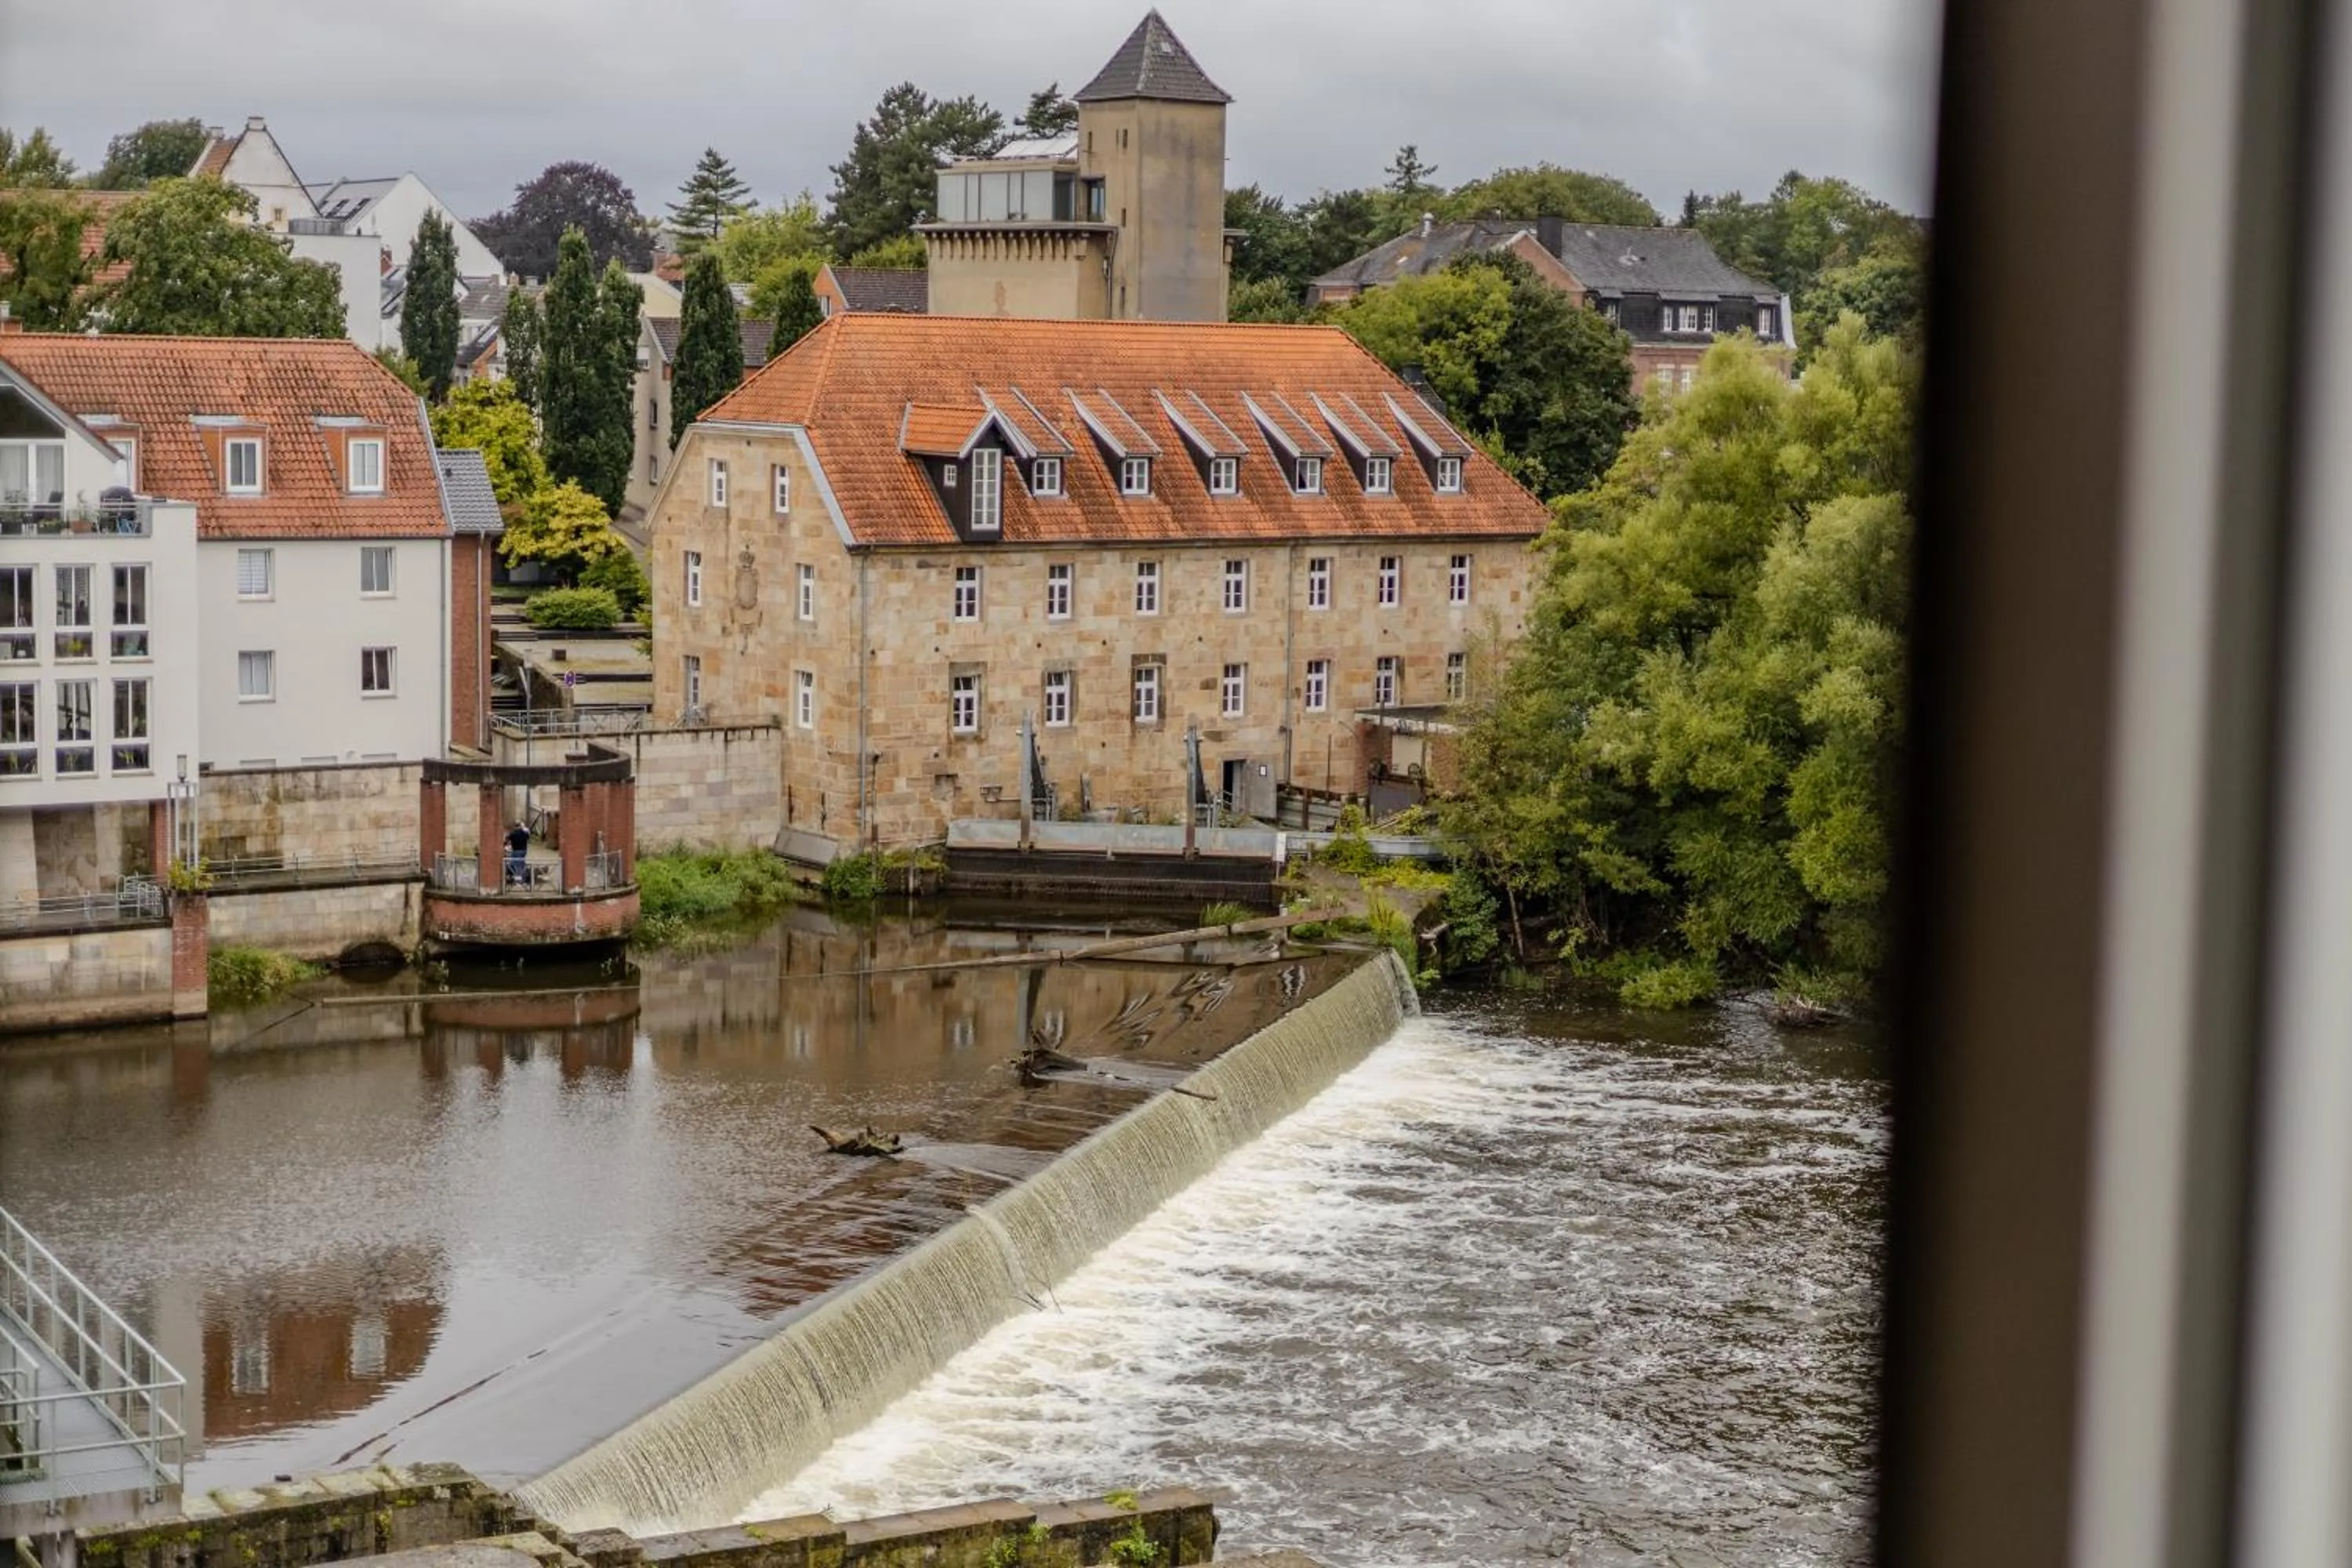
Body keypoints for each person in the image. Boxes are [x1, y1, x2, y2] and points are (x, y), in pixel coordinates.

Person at [504, 822, 530, 886]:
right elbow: (528, 837)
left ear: (515, 827)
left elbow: (507, 839)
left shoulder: (513, 833)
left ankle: (519, 880)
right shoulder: (524, 833)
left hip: (516, 851)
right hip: (524, 851)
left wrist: (506, 844)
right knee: (521, 865)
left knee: (514, 865)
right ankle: (523, 880)